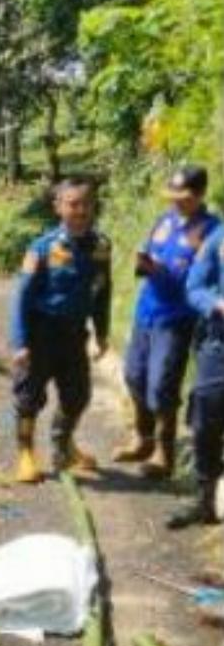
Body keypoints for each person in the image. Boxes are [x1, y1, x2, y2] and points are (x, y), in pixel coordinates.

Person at [113, 166, 219, 478]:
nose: (175, 203)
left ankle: (164, 451)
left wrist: (162, 271)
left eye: (183, 198)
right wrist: (144, 263)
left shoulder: (211, 231)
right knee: (134, 375)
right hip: (147, 311)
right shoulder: (166, 221)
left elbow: (204, 281)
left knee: (162, 385)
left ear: (200, 195)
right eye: (171, 197)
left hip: (178, 317)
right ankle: (142, 439)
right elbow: (149, 254)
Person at [10, 176, 111, 483]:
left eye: (86, 204)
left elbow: (103, 291)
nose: (80, 210)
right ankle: (26, 454)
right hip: (41, 334)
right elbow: (22, 297)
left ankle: (64, 445)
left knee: (77, 395)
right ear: (58, 207)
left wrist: (102, 333)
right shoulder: (41, 248)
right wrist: (20, 342)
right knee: (29, 397)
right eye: (73, 204)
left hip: (73, 334)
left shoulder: (101, 246)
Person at [168, 220, 224, 527]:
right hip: (219, 343)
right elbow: (194, 287)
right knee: (205, 417)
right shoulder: (218, 239)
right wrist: (216, 304)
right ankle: (204, 499)